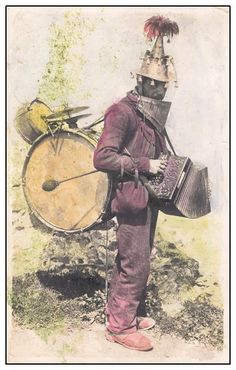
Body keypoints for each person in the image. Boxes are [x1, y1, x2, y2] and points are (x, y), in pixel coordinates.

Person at [93, 15, 179, 351]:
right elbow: (102, 158)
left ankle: (126, 310)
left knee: (135, 259)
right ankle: (119, 327)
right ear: (140, 79)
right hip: (129, 199)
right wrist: (145, 164)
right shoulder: (122, 111)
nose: (159, 89)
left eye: (163, 84)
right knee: (135, 262)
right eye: (153, 83)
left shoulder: (150, 113)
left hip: (148, 198)